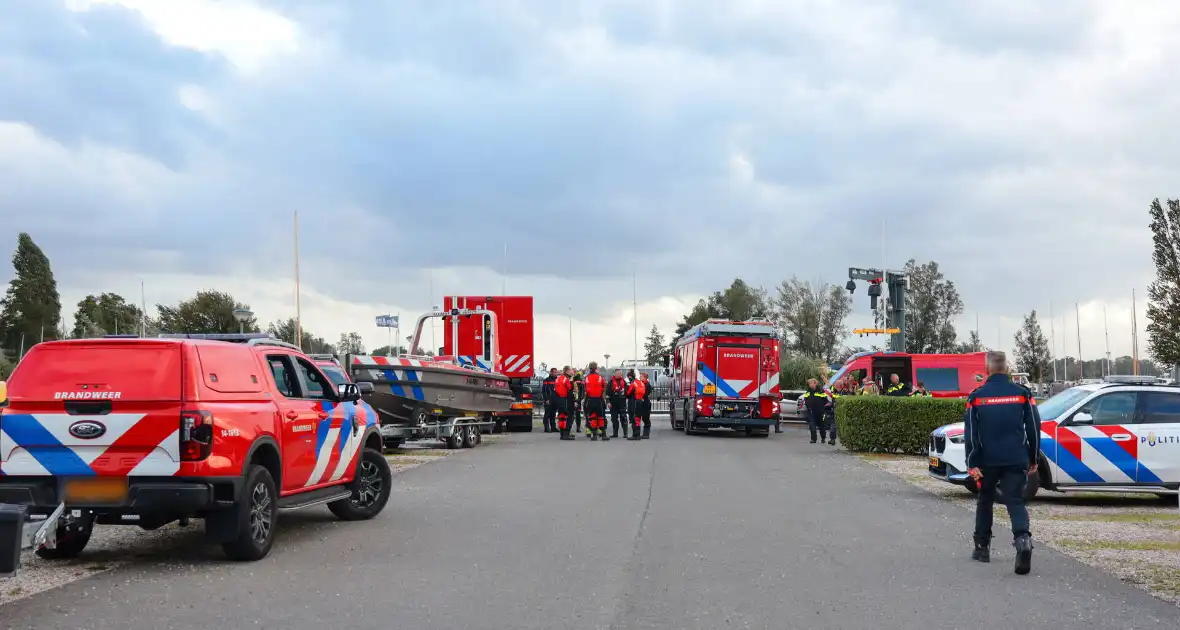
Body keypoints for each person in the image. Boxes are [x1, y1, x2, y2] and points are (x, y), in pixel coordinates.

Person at [964, 351, 1039, 575]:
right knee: (1015, 500)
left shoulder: (976, 396)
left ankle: (982, 547)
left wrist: (972, 462)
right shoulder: (1022, 394)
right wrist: (1032, 457)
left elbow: (971, 433)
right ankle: (1023, 540)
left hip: (987, 460)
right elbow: (1034, 427)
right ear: (1007, 369)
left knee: (985, 499)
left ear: (987, 369)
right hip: (1016, 457)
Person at [583, 362, 609, 441]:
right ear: (596, 368)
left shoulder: (586, 378)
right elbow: (604, 386)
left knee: (592, 417)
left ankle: (594, 435)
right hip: (598, 399)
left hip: (590, 399)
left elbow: (585, 389)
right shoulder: (600, 377)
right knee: (601, 417)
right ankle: (604, 434)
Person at [801, 378, 831, 444]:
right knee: (812, 425)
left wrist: (821, 406)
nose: (811, 385)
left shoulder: (821, 391)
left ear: (815, 383)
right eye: (810, 383)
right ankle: (813, 439)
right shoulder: (808, 392)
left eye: (812, 383)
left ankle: (823, 438)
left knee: (822, 426)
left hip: (820, 411)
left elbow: (825, 400)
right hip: (811, 411)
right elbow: (806, 400)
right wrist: (808, 406)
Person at [554, 366, 576, 441]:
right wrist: (574, 400)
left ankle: (562, 434)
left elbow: (555, 390)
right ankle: (566, 434)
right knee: (569, 417)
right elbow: (570, 391)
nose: (572, 371)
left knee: (561, 417)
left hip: (559, 400)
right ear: (566, 371)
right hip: (566, 400)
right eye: (570, 370)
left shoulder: (558, 378)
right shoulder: (566, 380)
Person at [626, 372, 648, 441]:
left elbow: (628, 393)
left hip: (634, 402)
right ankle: (638, 435)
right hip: (640, 401)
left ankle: (635, 435)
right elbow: (644, 392)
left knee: (633, 418)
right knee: (638, 418)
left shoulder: (633, 384)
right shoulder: (642, 383)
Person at [608, 369, 629, 438]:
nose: (620, 374)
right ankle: (615, 433)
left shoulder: (624, 382)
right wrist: (608, 402)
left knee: (623, 417)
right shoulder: (610, 382)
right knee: (614, 418)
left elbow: (627, 391)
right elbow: (607, 393)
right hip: (613, 403)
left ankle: (625, 433)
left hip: (622, 402)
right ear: (615, 374)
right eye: (618, 373)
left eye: (620, 373)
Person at [541, 367, 559, 433]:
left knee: (553, 414)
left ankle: (553, 427)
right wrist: (546, 399)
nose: (556, 373)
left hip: (555, 399)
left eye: (556, 372)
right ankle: (546, 427)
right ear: (551, 372)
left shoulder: (557, 380)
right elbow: (544, 391)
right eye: (554, 372)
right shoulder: (546, 380)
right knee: (547, 414)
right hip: (549, 399)